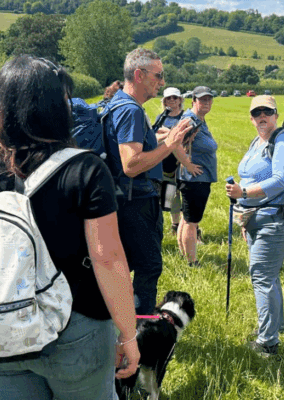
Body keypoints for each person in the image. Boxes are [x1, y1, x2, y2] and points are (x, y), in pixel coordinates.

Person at [0, 55, 140, 399]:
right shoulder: (85, 168)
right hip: (76, 328)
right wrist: (128, 334)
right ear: (59, 107)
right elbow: (108, 259)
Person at [104, 48, 192, 315]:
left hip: (124, 199)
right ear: (139, 75)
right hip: (136, 203)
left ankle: (118, 322)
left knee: (124, 265)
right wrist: (171, 144)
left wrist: (163, 138)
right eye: (158, 75)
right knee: (148, 267)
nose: (162, 82)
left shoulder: (119, 103)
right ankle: (140, 332)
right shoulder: (130, 110)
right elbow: (131, 164)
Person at [225, 95, 284, 357]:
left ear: (275, 115)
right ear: (251, 117)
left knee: (261, 275)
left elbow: (280, 180)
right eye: (257, 112)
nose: (262, 116)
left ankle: (268, 343)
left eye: (267, 112)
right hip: (258, 216)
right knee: (268, 274)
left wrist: (244, 193)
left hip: (279, 216)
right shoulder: (257, 140)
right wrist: (243, 209)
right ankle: (275, 325)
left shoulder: (283, 140)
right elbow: (248, 174)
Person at [176, 86, 217, 266]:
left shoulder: (198, 119)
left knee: (187, 218)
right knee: (192, 222)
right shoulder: (189, 119)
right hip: (194, 179)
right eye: (202, 99)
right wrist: (187, 164)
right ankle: (192, 261)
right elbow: (174, 142)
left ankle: (183, 253)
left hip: (197, 178)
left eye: (209, 99)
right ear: (194, 101)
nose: (206, 102)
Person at [155, 87, 199, 235]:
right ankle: (175, 224)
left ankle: (191, 226)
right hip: (166, 160)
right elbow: (155, 135)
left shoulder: (186, 116)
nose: (171, 100)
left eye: (174, 97)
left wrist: (167, 133)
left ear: (180, 99)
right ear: (164, 101)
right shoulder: (162, 117)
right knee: (171, 194)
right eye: (168, 98)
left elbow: (189, 135)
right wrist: (174, 134)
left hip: (185, 159)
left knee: (187, 194)